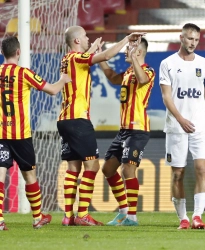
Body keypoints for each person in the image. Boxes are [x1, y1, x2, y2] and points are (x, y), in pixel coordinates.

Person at [58, 26, 145, 226]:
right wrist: (126, 39)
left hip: (64, 119)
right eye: (85, 36)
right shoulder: (77, 58)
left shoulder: (67, 60)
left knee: (73, 167)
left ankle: (68, 216)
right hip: (78, 120)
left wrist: (91, 51)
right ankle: (83, 215)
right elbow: (107, 54)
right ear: (77, 41)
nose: (88, 38)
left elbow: (90, 59)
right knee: (93, 165)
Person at [0, 36, 71, 230]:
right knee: (29, 176)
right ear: (18, 52)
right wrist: (63, 80)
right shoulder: (24, 73)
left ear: (2, 52)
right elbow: (52, 90)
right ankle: (37, 217)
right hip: (21, 135)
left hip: (1, 133)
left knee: (0, 174)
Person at [159, 23, 205, 230]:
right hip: (176, 126)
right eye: (190, 39)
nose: (193, 43)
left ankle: (197, 216)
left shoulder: (204, 63)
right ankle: (183, 218)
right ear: (181, 37)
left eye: (196, 40)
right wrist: (181, 119)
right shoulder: (167, 63)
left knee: (202, 168)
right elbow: (166, 96)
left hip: (200, 125)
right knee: (177, 174)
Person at [98, 37, 154, 226]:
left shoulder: (148, 71)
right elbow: (112, 77)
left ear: (139, 52)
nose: (125, 50)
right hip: (123, 131)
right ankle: (123, 212)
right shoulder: (128, 72)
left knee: (127, 169)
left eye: (130, 48)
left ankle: (132, 216)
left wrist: (135, 59)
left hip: (138, 129)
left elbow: (143, 80)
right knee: (107, 169)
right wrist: (99, 57)